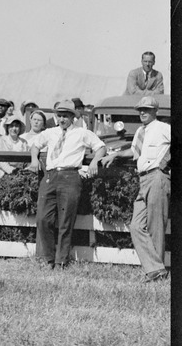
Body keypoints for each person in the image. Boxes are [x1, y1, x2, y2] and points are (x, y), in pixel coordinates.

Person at [29, 100, 106, 269]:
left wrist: (94, 162)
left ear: (73, 117)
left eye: (65, 116)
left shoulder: (82, 133)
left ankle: (61, 261)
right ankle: (49, 258)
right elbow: (35, 145)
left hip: (70, 177)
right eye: (59, 116)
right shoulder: (50, 132)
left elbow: (100, 147)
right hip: (50, 176)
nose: (62, 119)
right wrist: (34, 159)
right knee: (43, 219)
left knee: (66, 221)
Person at [101, 96, 170, 282]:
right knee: (136, 225)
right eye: (140, 109)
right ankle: (157, 269)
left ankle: (156, 273)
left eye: (146, 109)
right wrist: (115, 156)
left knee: (156, 225)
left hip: (157, 177)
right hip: (143, 179)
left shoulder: (163, 128)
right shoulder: (140, 131)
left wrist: (164, 163)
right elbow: (134, 151)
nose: (142, 112)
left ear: (155, 111)